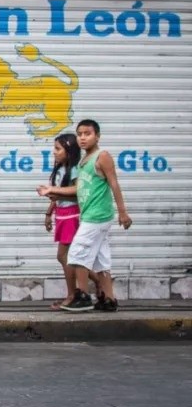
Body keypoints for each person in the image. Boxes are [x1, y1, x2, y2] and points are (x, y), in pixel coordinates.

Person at [37, 119, 131, 312]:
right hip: (91, 215)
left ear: (97, 136)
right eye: (79, 134)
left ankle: (82, 296)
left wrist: (123, 212)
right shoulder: (83, 162)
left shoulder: (102, 156)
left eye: (87, 134)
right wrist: (53, 192)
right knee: (102, 260)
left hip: (96, 216)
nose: (82, 138)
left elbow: (114, 184)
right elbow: (79, 189)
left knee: (76, 254)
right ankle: (109, 299)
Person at [40, 133, 97, 310]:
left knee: (66, 256)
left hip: (72, 216)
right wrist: (49, 213)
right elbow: (58, 196)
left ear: (69, 151)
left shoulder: (74, 170)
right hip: (62, 215)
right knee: (71, 257)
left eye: (58, 149)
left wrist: (54, 192)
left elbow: (78, 192)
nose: (54, 152)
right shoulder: (60, 169)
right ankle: (99, 284)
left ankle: (74, 294)